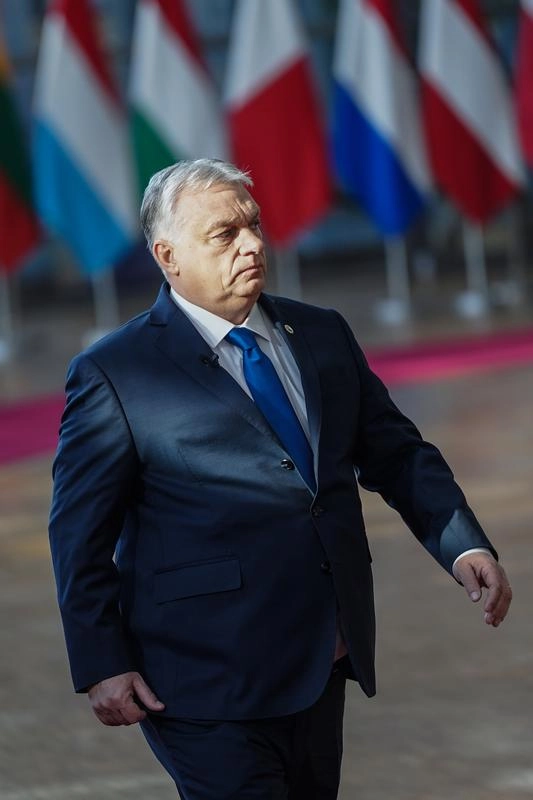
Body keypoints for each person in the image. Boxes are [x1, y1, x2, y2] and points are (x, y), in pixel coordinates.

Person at [49, 158, 512, 799]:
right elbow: (79, 533)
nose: (252, 245)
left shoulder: (322, 333)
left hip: (323, 658)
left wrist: (462, 543)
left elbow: (398, 454)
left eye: (254, 226)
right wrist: (102, 659)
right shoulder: (115, 372)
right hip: (202, 680)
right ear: (167, 256)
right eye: (225, 234)